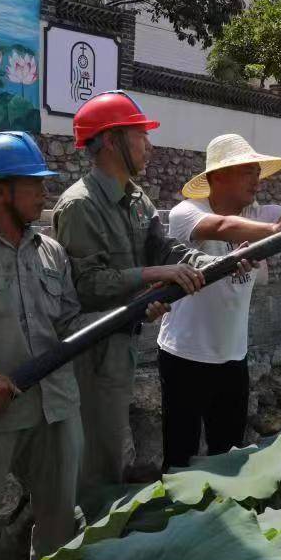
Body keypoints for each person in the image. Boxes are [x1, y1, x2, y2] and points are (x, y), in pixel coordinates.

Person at [0, 132, 135, 560]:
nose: (44, 192)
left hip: (56, 407)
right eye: (33, 183)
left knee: (58, 524)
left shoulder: (50, 252)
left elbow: (70, 323)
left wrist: (130, 313)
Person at [52, 91, 222, 507]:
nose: (149, 146)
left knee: (109, 449)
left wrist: (220, 262)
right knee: (98, 456)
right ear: (111, 141)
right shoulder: (79, 206)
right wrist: (154, 275)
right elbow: (87, 285)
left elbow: (164, 251)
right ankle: (84, 547)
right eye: (140, 135)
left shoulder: (136, 198)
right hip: (91, 349)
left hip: (123, 343)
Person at [157, 134, 281, 469]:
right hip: (185, 355)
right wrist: (276, 230)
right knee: (179, 456)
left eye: (257, 171)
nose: (256, 179)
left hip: (232, 357)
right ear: (218, 177)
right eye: (247, 171)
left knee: (229, 455)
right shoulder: (187, 213)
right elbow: (222, 226)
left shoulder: (259, 213)